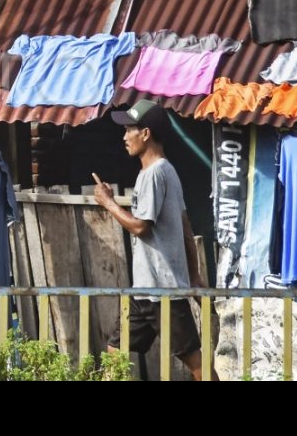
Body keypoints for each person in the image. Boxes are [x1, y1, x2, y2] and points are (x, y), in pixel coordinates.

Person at [92, 99, 217, 381]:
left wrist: (108, 203)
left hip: (162, 290)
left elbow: (140, 228)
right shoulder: (166, 171)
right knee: (115, 349)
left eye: (129, 130)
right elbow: (185, 228)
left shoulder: (155, 174)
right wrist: (195, 276)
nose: (124, 137)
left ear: (145, 134)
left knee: (194, 361)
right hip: (145, 291)